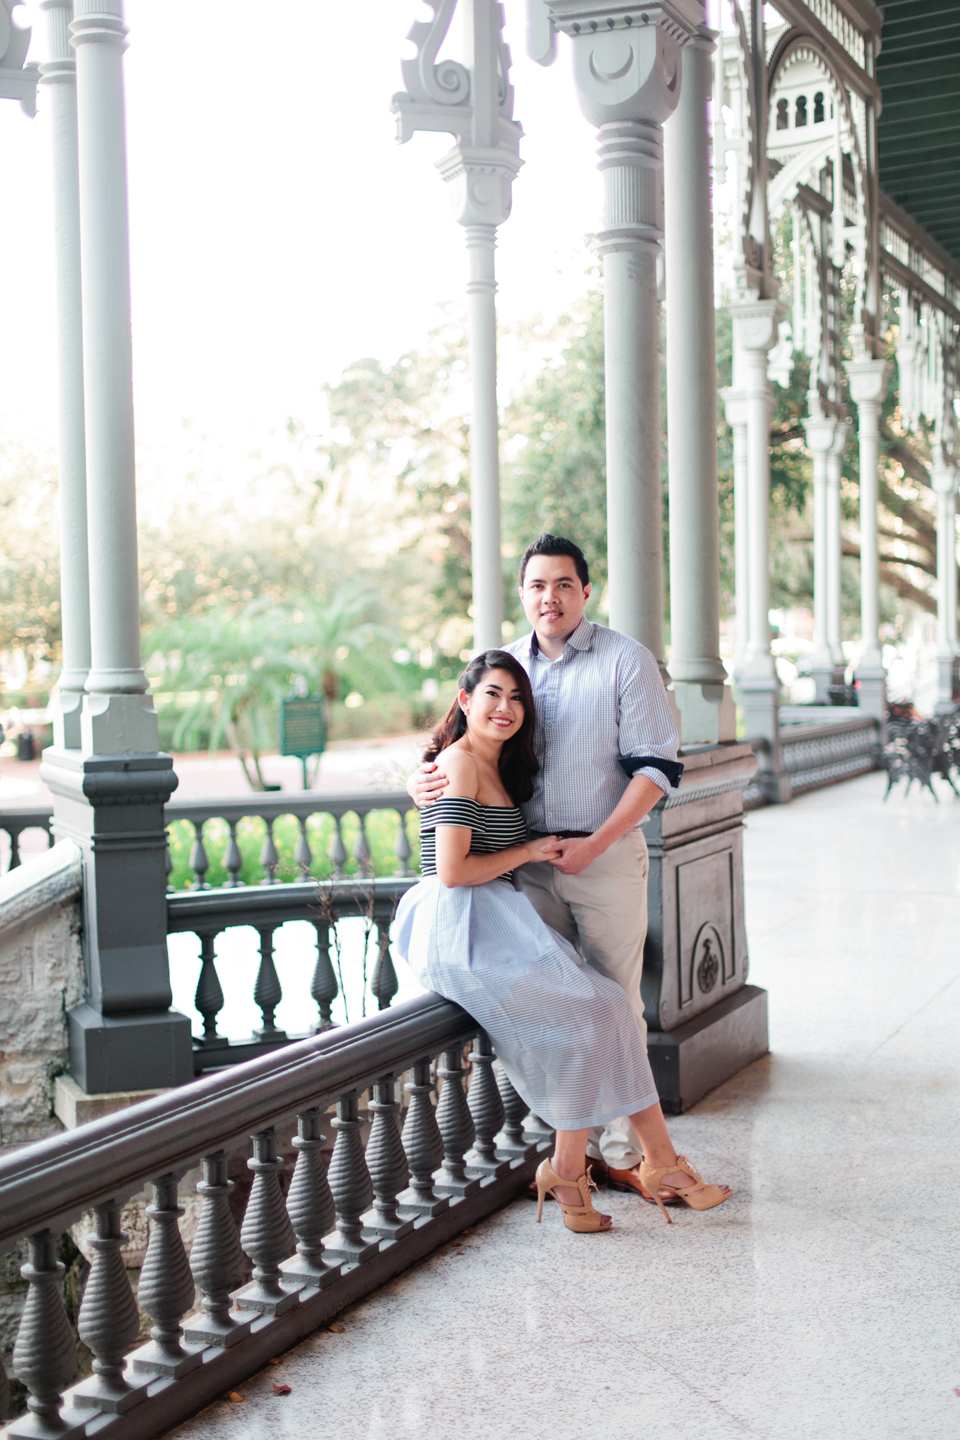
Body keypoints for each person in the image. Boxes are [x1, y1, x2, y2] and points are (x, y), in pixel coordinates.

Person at [409, 534, 724, 1210]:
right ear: (522, 594)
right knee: (572, 1010)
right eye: (535, 586)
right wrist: (423, 782)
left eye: (562, 585)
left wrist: (597, 842)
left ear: (586, 591)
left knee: (616, 1002)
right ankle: (588, 1160)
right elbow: (462, 751)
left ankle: (623, 1158)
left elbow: (658, 770)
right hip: (522, 874)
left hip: (600, 857)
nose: (548, 598)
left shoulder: (623, 661)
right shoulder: (506, 670)